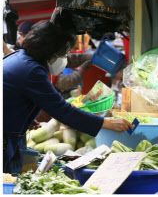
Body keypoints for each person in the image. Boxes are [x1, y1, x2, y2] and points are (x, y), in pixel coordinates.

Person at [3, 20, 133, 173]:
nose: (64, 58)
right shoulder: (31, 70)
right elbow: (62, 111)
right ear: (50, 51)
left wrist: (25, 118)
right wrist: (106, 123)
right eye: (63, 54)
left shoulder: (22, 58)